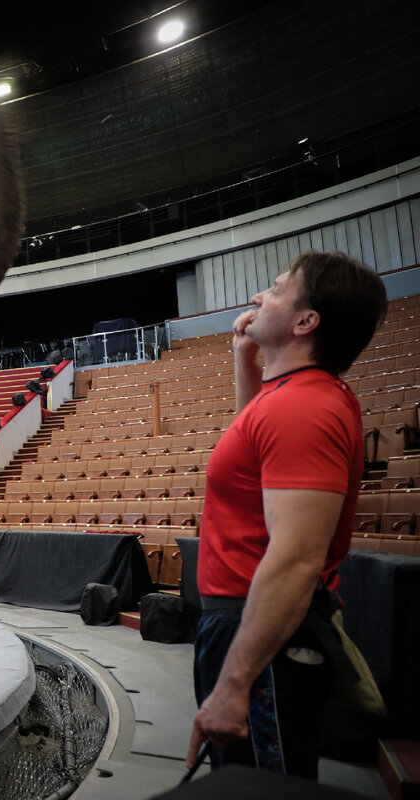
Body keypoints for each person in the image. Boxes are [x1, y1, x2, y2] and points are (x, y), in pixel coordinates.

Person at [187, 250, 386, 777]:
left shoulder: (304, 408)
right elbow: (254, 462)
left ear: (305, 321)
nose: (257, 297)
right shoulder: (288, 398)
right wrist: (244, 361)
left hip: (259, 634)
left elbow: (297, 559)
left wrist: (234, 684)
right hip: (245, 624)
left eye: (275, 290)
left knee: (261, 785)